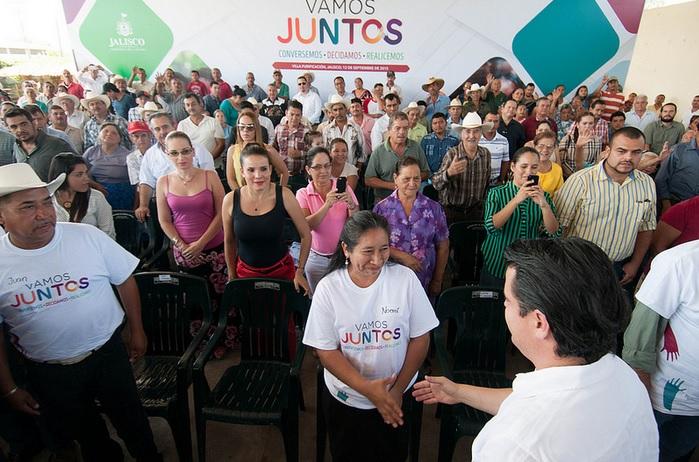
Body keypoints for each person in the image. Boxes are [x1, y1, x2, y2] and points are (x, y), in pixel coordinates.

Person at [413, 237, 658, 461]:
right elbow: (530, 400)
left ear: (539, 322)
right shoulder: (624, 378)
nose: (504, 308)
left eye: (508, 301)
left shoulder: (515, 445)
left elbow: (534, 410)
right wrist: (458, 391)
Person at [0, 163, 163, 462]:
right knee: (87, 433)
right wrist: (9, 387)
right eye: (27, 207)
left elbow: (124, 278)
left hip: (108, 354)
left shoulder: (86, 236)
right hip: (48, 371)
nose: (43, 214)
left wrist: (136, 329)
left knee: (133, 421)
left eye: (46, 202)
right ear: (1, 216)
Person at [302, 211, 439, 462]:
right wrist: (368, 389)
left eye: (384, 249)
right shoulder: (329, 288)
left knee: (393, 455)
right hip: (347, 400)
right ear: (346, 249)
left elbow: (421, 337)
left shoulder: (405, 280)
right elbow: (326, 351)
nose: (377, 260)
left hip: (397, 397)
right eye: (367, 251)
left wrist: (397, 390)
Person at [555, 127, 656, 302]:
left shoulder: (646, 183)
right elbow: (557, 228)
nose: (628, 157)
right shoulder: (581, 181)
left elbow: (646, 227)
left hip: (620, 269)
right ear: (608, 150)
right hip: (579, 266)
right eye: (621, 151)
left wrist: (635, 263)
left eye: (636, 152)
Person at [623, 240, 699, 462]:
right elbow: (639, 338)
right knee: (640, 452)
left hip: (694, 410)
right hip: (662, 398)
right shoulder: (679, 262)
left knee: (680, 452)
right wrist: (639, 397)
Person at [155, 130, 228, 331]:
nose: (181, 157)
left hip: (215, 250)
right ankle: (199, 340)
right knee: (195, 302)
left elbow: (222, 213)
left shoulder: (210, 176)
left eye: (185, 151)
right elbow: (164, 220)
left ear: (193, 151)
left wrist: (201, 243)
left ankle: (225, 339)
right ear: (167, 154)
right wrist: (182, 245)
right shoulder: (163, 182)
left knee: (220, 298)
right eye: (174, 153)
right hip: (184, 253)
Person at [221, 143, 310, 293]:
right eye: (251, 170)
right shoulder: (230, 200)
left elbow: (306, 235)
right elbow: (229, 241)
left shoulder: (285, 195)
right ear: (242, 172)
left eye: (263, 169)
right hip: (245, 275)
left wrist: (300, 270)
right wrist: (231, 273)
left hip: (282, 273)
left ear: (270, 169)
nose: (258, 176)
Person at [480, 146, 561, 286]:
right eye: (524, 166)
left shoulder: (544, 196)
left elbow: (554, 232)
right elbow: (491, 227)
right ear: (513, 167)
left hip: (528, 265)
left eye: (534, 167)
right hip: (498, 261)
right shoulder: (497, 193)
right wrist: (516, 200)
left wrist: (544, 205)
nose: (529, 172)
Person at [374, 157, 449, 297]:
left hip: (425, 279)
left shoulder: (433, 208)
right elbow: (374, 246)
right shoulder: (382, 209)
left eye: (416, 179)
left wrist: (438, 280)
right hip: (391, 279)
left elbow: (443, 246)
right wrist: (402, 256)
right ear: (395, 178)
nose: (412, 184)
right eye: (406, 179)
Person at [296, 146, 358, 293]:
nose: (323, 171)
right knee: (318, 297)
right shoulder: (303, 193)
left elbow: (356, 222)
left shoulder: (343, 187)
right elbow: (307, 226)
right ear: (308, 169)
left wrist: (351, 205)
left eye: (327, 166)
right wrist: (326, 205)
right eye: (317, 167)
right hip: (316, 258)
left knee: (343, 296)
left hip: (342, 255)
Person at [135, 112, 215, 221]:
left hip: (198, 202)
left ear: (174, 125)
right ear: (152, 131)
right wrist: (143, 205)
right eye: (157, 129)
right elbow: (146, 182)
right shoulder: (150, 155)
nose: (162, 132)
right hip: (165, 206)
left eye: (165, 127)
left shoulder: (198, 149)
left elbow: (211, 177)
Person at [432, 112, 491, 223]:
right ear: (462, 134)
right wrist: (449, 173)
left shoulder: (486, 154)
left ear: (481, 134)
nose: (472, 136)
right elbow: (435, 184)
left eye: (476, 131)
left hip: (476, 213)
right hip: (452, 213)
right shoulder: (452, 154)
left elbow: (487, 184)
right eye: (468, 131)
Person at [365, 112, 430, 204]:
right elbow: (368, 179)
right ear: (389, 130)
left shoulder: (416, 147)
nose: (402, 132)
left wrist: (410, 181)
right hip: (385, 201)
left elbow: (426, 172)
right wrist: (393, 185)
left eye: (405, 128)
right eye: (397, 128)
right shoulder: (379, 151)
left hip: (412, 200)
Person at [47, 153, 115, 238]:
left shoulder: (96, 197)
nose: (86, 179)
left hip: (92, 246)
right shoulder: (48, 200)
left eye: (86, 173)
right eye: (79, 175)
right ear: (62, 177)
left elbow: (108, 232)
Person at [4, 106, 75, 182]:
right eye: (14, 127)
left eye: (24, 124)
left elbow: (78, 170)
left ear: (34, 123)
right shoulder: (16, 146)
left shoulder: (58, 145)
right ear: (9, 129)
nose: (20, 130)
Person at [227, 110, 289, 190]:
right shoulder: (232, 150)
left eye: (250, 127)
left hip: (266, 194)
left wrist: (279, 193)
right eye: (242, 127)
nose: (245, 130)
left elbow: (284, 172)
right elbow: (231, 179)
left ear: (256, 128)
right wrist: (240, 195)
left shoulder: (268, 150)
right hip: (242, 194)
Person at [83, 122, 133, 210]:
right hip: (95, 188)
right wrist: (94, 185)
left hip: (122, 191)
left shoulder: (128, 155)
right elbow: (81, 171)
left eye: (114, 133)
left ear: (119, 139)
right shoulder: (91, 151)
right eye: (106, 131)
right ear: (99, 135)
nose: (109, 134)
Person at [654, 128, 699, 214]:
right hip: (675, 203)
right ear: (696, 131)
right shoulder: (679, 150)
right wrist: (666, 204)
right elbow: (661, 178)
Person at [177, 93, 226, 167]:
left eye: (193, 104)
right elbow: (180, 147)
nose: (191, 107)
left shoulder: (213, 122)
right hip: (192, 168)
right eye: (188, 105)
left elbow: (221, 145)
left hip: (214, 166)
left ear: (200, 104)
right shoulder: (182, 125)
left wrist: (207, 161)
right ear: (185, 108)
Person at [322, 95, 365, 168]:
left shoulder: (356, 128)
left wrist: (357, 169)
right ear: (332, 112)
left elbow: (362, 150)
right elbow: (325, 151)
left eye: (341, 109)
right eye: (335, 110)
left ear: (346, 110)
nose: (338, 113)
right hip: (333, 169)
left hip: (352, 168)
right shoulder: (327, 130)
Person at [558, 111, 603, 178]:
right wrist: (575, 176)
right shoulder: (567, 139)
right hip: (569, 177)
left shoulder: (597, 141)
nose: (587, 126)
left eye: (591, 123)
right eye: (584, 123)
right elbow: (563, 161)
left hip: (587, 177)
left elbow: (596, 162)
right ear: (578, 125)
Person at [479, 112, 510, 185]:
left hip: (495, 182)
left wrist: (501, 180)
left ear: (499, 123)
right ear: (483, 122)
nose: (492, 124)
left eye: (496, 121)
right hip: (478, 181)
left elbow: (505, 161)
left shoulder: (504, 140)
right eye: (489, 121)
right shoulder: (476, 138)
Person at [532, 130, 563, 196]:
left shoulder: (557, 169)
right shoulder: (526, 167)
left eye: (549, 147)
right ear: (535, 147)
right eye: (541, 146)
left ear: (554, 148)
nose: (545, 150)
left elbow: (559, 195)